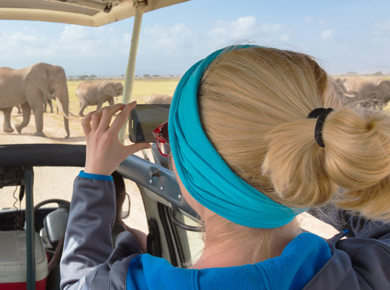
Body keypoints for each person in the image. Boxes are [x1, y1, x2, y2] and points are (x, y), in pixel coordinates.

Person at [60, 45, 390, 289]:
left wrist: (95, 176)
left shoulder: (118, 284)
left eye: (168, 139)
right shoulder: (373, 272)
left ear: (191, 167)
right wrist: (315, 161)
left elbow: (76, 276)